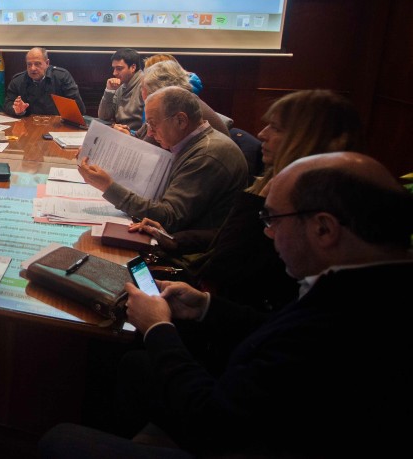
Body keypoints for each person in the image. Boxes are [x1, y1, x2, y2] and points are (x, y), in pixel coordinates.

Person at [43, 152, 413, 457]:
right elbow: (274, 329)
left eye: (272, 219)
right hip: (261, 417)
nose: (267, 232)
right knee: (135, 366)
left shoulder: (346, 320)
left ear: (324, 229)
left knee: (59, 439)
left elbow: (212, 422)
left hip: (236, 438)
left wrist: (159, 329)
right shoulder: (370, 283)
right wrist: (206, 307)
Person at [136, 90, 363, 311]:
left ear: (307, 139)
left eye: (276, 128)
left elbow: (245, 271)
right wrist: (174, 240)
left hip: (223, 300)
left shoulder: (302, 202)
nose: (262, 134)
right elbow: (227, 237)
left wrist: (196, 309)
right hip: (211, 294)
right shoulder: (268, 182)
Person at [79, 87, 248, 233]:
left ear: (181, 121)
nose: (149, 133)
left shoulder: (206, 155)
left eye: (153, 124)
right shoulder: (189, 143)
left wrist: (108, 187)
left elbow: (168, 219)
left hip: (188, 250)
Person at [131, 60, 229, 138]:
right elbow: (141, 135)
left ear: (157, 92)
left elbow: (149, 144)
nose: (141, 93)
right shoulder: (179, 100)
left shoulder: (176, 108)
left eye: (142, 88)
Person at [4, 47, 84, 117]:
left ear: (47, 63)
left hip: (56, 124)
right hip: (29, 124)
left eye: (37, 64)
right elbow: (7, 104)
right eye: (29, 64)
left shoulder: (62, 77)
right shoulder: (18, 80)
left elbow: (79, 109)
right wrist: (17, 110)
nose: (32, 68)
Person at [97, 48, 144, 130]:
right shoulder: (120, 86)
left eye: (119, 68)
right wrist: (109, 91)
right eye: (114, 68)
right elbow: (103, 116)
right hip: (121, 133)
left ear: (133, 67)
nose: (114, 73)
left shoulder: (146, 85)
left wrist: (131, 134)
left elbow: (150, 125)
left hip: (135, 135)